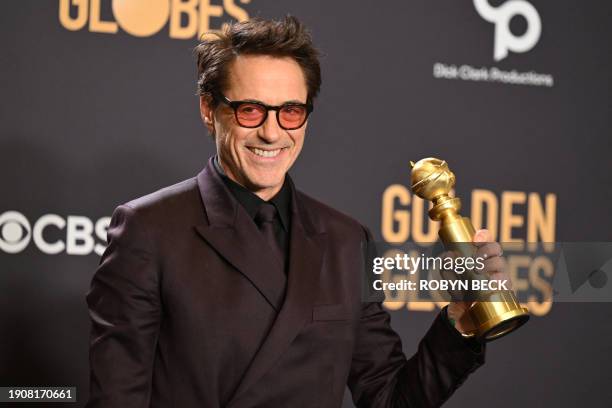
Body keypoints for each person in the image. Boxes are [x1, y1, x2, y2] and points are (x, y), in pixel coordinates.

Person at [86, 16, 509, 408]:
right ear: (209, 111)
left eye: (290, 111)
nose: (272, 132)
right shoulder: (149, 230)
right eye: (250, 110)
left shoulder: (347, 241)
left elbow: (387, 398)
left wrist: (460, 318)